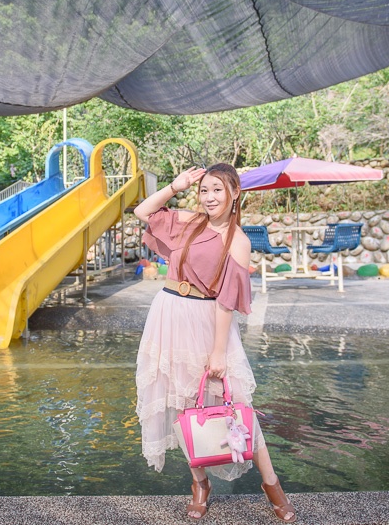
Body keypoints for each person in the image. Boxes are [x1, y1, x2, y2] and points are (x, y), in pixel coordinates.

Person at [134, 163, 296, 522]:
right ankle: (200, 484)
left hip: (206, 321)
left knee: (239, 404)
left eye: (217, 190)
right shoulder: (190, 221)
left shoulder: (237, 240)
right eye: (204, 190)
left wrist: (219, 351)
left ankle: (271, 485)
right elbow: (142, 211)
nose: (209, 197)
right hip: (168, 313)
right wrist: (175, 185)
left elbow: (226, 300)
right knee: (181, 403)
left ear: (235, 192)